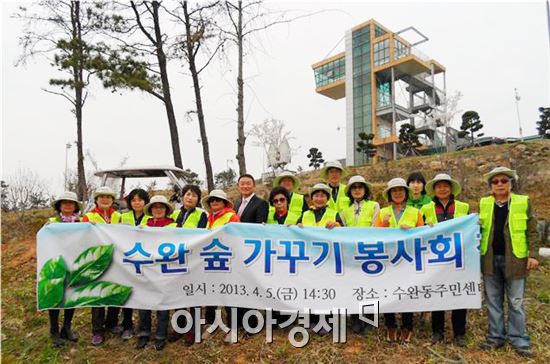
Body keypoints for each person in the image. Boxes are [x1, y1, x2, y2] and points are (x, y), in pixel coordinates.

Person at [478, 167, 539, 357]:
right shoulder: (484, 203)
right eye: (495, 182)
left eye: (504, 181)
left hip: (516, 259)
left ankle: (519, 339)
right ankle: (496, 337)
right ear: (490, 187)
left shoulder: (523, 202)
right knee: (493, 301)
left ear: (511, 183)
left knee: (515, 301)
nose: (500, 185)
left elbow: (533, 230)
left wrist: (534, 254)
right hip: (489, 259)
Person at [420, 174, 470, 347]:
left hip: (458, 258)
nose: (442, 189)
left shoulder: (463, 207)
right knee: (437, 294)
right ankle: (437, 332)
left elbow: (470, 229)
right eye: (439, 186)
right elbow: (419, 231)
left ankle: (459, 333)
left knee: (459, 294)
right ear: (434, 189)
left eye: (445, 186)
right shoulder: (426, 209)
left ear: (451, 188)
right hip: (435, 260)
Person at [374, 178, 424, 343]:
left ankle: (407, 326)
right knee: (388, 292)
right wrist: (385, 225)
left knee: (407, 293)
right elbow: (373, 235)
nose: (397, 193)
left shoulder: (415, 212)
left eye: (400, 190)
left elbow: (423, 236)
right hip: (387, 259)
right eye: (394, 191)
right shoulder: (382, 212)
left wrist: (413, 230)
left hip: (407, 259)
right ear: (389, 194)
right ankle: (390, 325)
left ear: (406, 193)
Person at [82, 186, 122, 346]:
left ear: (113, 200)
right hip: (97, 260)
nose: (105, 199)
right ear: (96, 200)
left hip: (117, 260)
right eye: (101, 197)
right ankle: (97, 330)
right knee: (97, 294)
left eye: (108, 197)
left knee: (114, 290)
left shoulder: (119, 216)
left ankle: (112, 322)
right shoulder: (88, 216)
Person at [168, 185, 208, 346]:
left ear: (198, 199)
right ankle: (181, 326)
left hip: (194, 260)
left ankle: (195, 329)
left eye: (194, 196)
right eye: (187, 195)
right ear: (182, 196)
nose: (190, 198)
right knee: (179, 295)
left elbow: (202, 235)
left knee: (194, 295)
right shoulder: (175, 213)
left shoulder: (202, 214)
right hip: (177, 260)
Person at [340, 176, 380, 334]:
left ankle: (369, 320)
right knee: (353, 286)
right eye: (354, 187)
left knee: (370, 287)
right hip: (351, 253)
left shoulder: (374, 206)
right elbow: (342, 230)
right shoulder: (344, 211)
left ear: (365, 190)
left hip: (369, 251)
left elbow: (375, 226)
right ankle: (355, 318)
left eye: (360, 187)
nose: (357, 190)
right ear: (350, 191)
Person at [136, 195, 175, 351]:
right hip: (147, 268)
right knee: (144, 302)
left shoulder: (175, 227)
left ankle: (160, 335)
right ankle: (143, 333)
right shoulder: (143, 226)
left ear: (166, 210)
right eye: (155, 207)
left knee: (163, 303)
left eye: (161, 207)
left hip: (165, 269)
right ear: (151, 210)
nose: (158, 210)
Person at [201, 189, 240, 342]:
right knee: (211, 294)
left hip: (227, 261)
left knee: (229, 294)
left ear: (224, 202)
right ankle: (211, 325)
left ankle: (233, 328)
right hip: (211, 261)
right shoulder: (209, 218)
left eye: (218, 199)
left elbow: (235, 238)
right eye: (212, 200)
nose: (214, 202)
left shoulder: (231, 216)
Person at [45, 191, 81, 347]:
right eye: (64, 202)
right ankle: (54, 331)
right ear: (59, 205)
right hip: (56, 264)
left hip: (74, 263)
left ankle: (67, 328)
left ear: (75, 206)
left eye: (71, 203)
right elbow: (43, 240)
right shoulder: (51, 222)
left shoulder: (81, 222)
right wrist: (46, 229)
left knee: (71, 295)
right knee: (55, 296)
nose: (67, 205)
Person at [115, 188, 151, 341]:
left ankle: (145, 326)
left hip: (147, 260)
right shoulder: (123, 217)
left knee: (144, 292)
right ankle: (127, 324)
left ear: (145, 201)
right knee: (128, 292)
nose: (137, 203)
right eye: (133, 200)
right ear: (129, 202)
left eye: (140, 200)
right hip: (127, 259)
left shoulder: (151, 217)